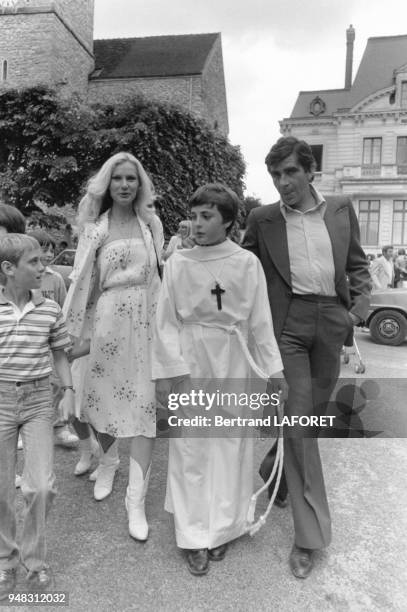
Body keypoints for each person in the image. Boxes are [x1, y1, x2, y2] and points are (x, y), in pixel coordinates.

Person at [242, 136, 371, 579]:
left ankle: (273, 461)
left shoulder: (339, 208)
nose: (282, 182)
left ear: (310, 171)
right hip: (290, 327)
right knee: (301, 424)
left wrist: (357, 308)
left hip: (332, 322)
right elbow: (242, 270)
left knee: (307, 419)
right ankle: (309, 535)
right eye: (276, 175)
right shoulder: (262, 219)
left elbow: (356, 264)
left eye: (290, 172)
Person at [153, 183, 286, 576]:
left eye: (206, 216)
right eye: (193, 216)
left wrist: (274, 372)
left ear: (228, 220)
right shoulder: (178, 262)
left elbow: (260, 322)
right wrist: (167, 373)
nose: (196, 224)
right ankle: (193, 534)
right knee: (192, 446)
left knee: (230, 444)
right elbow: (164, 322)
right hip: (191, 360)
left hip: (234, 359)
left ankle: (225, 527)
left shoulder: (246, 263)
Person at [64, 152, 162, 541]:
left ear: (140, 186)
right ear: (108, 184)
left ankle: (134, 501)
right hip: (107, 319)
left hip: (147, 322)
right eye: (118, 178)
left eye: (131, 179)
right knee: (101, 402)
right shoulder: (94, 229)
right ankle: (108, 461)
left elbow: (159, 277)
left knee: (145, 409)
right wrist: (74, 335)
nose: (125, 185)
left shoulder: (150, 223)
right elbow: (81, 284)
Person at [0, 234, 75, 599]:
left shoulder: (49, 309)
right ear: (9, 269)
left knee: (40, 485)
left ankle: (35, 560)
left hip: (38, 400)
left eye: (44, 261)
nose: (43, 268)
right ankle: (5, 560)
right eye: (34, 262)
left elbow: (61, 353)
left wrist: (69, 392)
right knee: (0, 488)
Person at [27, 229, 79, 449]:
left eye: (50, 250)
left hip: (51, 342)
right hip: (28, 343)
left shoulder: (56, 278)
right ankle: (25, 429)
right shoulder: (22, 277)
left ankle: (59, 427)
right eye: (43, 250)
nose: (48, 255)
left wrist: (65, 338)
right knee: (29, 385)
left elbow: (64, 310)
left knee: (57, 383)